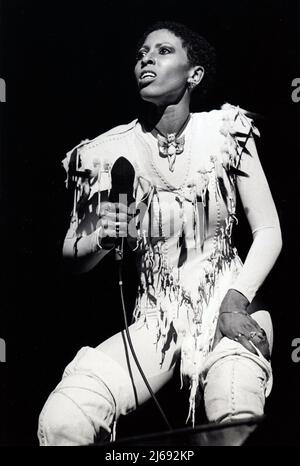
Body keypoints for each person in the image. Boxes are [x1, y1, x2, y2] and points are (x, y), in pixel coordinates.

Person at [38, 21, 282, 446]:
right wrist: (102, 239)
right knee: (65, 418)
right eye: (141, 53)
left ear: (195, 73)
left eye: (163, 50)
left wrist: (235, 300)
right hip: (157, 318)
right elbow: (70, 255)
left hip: (231, 300)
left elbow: (269, 231)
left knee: (233, 410)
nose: (146, 59)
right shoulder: (105, 151)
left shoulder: (226, 132)